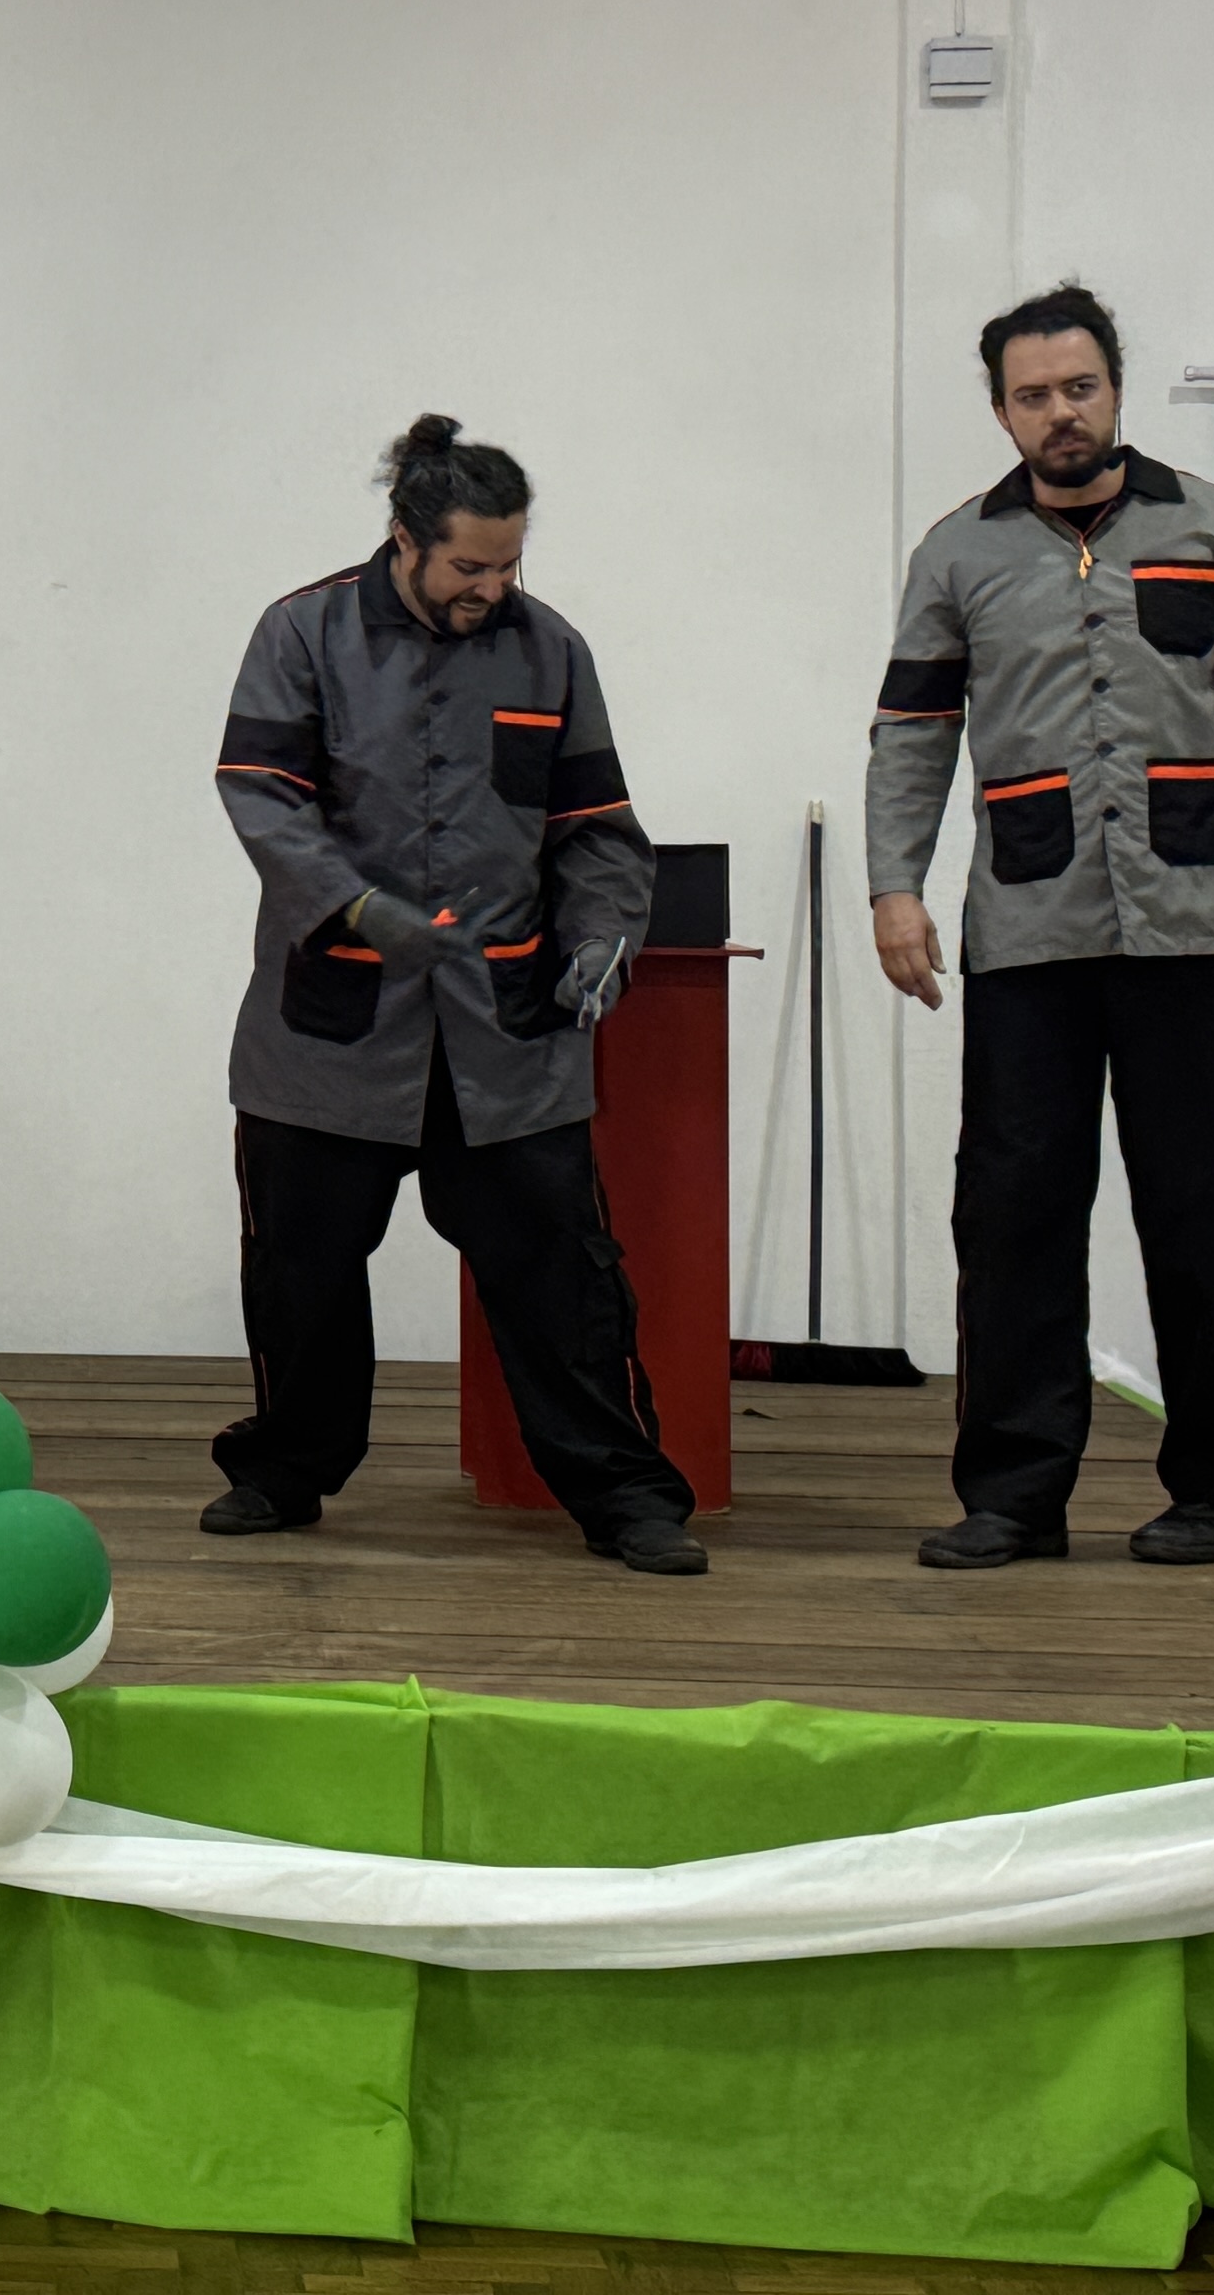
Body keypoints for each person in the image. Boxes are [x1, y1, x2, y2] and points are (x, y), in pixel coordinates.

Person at [867, 282, 1214, 1571]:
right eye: (1034, 395)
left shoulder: (1211, 527)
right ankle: (1013, 1499)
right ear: (1002, 411)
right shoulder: (957, 555)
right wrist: (894, 886)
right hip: (1027, 938)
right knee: (1013, 1218)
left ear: (1115, 391)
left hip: (1196, 934)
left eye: (1079, 387)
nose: (1061, 413)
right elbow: (913, 734)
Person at [208, 415, 706, 1575]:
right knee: (300, 1271)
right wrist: (353, 906)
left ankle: (624, 1493)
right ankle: (286, 1470)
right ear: (406, 540)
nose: (492, 587)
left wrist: (604, 938)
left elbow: (599, 831)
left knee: (564, 1279)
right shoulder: (301, 633)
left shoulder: (553, 652)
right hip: (328, 1031)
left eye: (509, 564)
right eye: (469, 566)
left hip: (506, 1034)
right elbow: (260, 793)